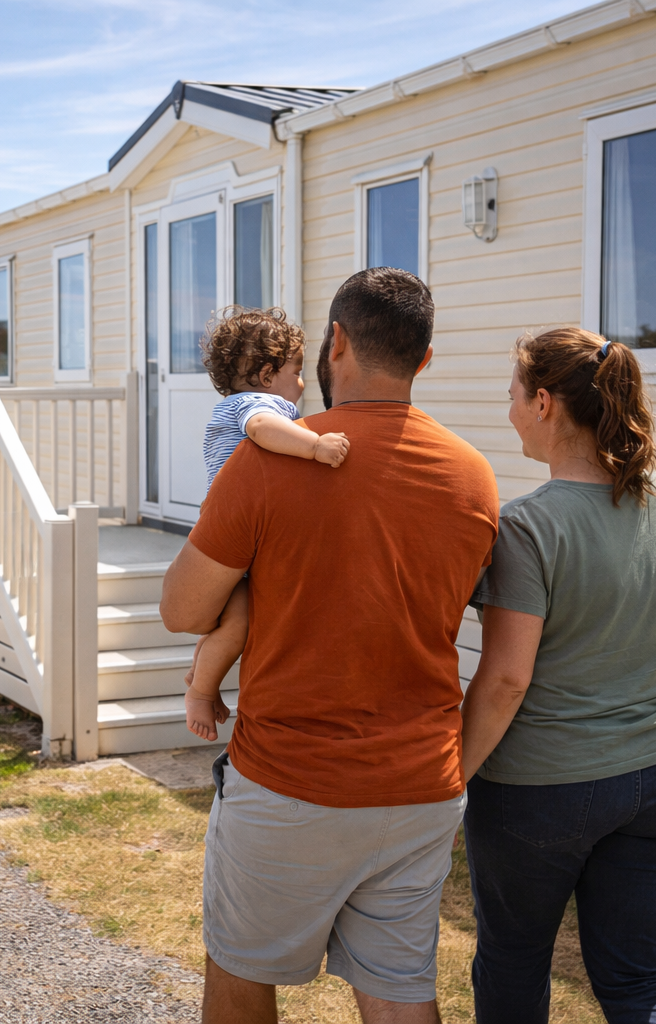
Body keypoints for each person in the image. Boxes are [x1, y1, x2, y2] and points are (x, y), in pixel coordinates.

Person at [160, 268, 500, 1024]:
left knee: (244, 973)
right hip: (421, 787)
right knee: (400, 990)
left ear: (336, 342)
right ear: (426, 358)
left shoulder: (271, 458)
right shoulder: (475, 478)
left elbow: (182, 611)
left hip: (292, 779)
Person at [460, 327, 656, 1024]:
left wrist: (448, 777)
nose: (506, 409)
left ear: (544, 403)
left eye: (510, 395)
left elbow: (506, 681)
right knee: (638, 980)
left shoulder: (526, 528)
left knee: (513, 961)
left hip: (543, 791)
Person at [184, 305, 351, 742]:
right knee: (238, 624)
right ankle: (199, 691)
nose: (300, 382)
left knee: (236, 619)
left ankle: (203, 677)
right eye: (295, 371)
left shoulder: (238, 402)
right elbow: (261, 430)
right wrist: (315, 446)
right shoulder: (260, 405)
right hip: (237, 533)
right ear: (265, 374)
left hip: (230, 530)